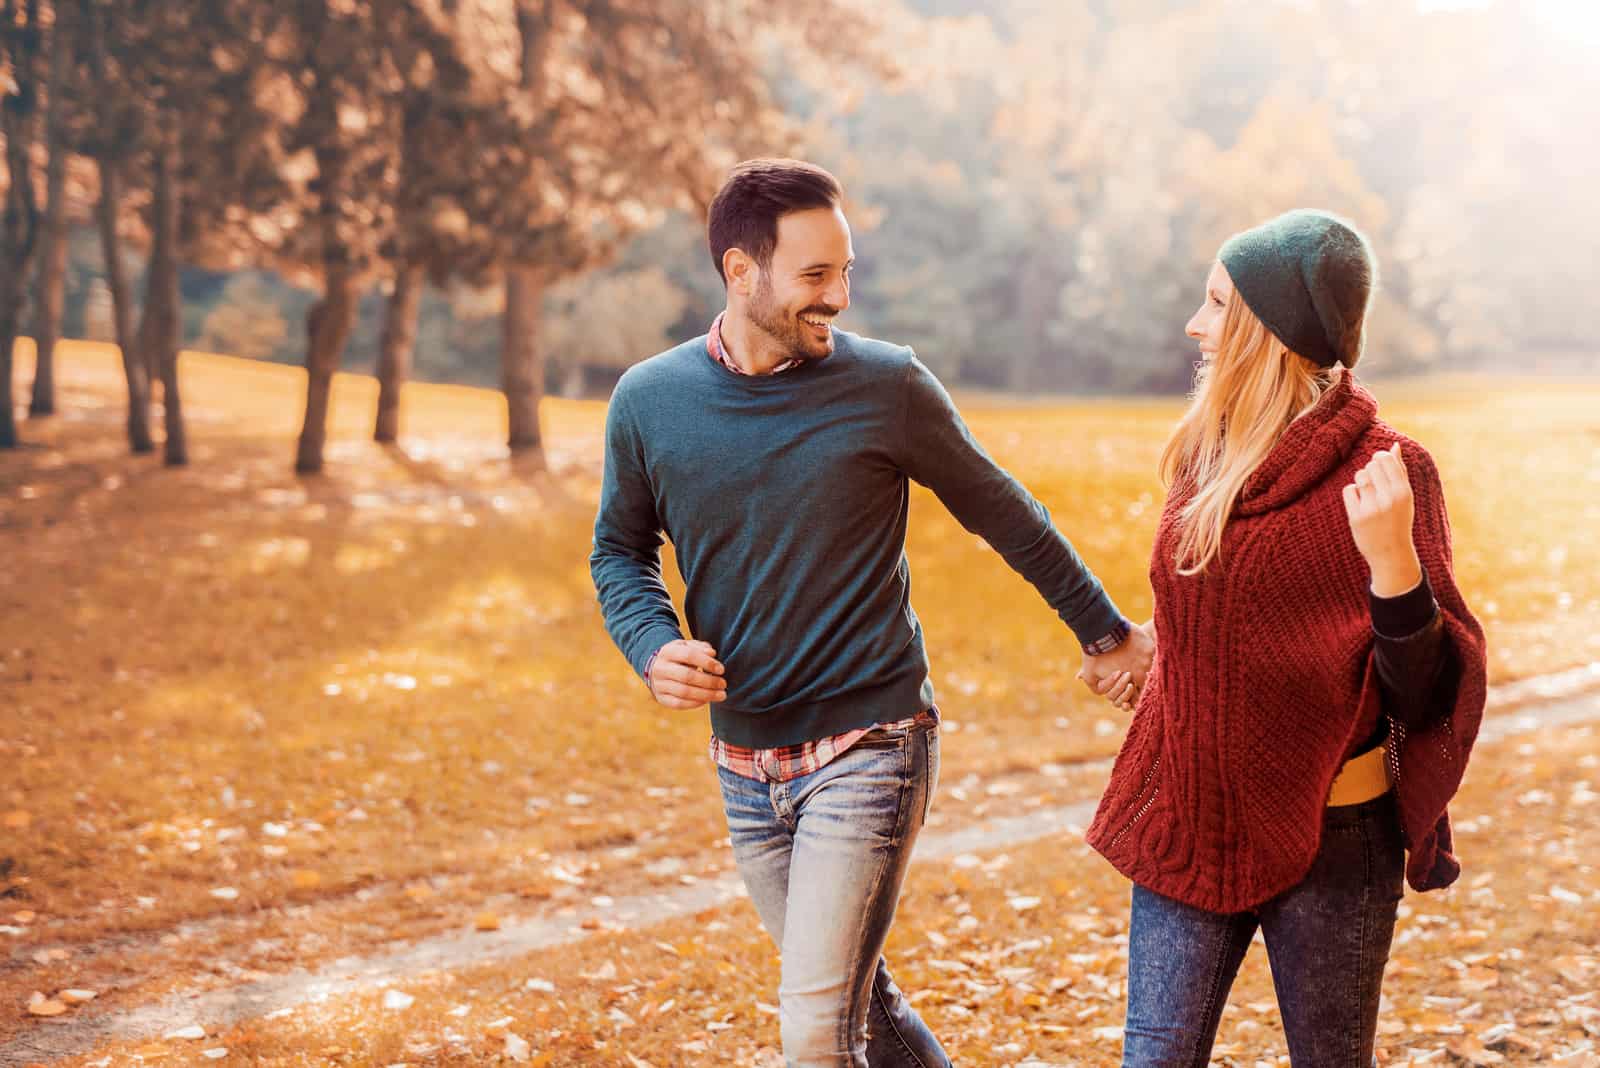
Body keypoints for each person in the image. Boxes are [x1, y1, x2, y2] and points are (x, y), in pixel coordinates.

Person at [590, 157, 1153, 1067]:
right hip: (744, 761)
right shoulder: (650, 402)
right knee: (863, 1007)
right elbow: (619, 549)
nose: (841, 296)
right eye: (816, 276)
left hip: (872, 741)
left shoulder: (886, 386)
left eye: (846, 270)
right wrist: (650, 644)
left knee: (817, 1032)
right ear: (742, 273)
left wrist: (1109, 634)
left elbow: (1005, 513)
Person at [1083, 210, 1488, 1066]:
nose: (1196, 325)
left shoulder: (1387, 469)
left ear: (1272, 330)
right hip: (1189, 808)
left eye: (1217, 304)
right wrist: (1165, 648)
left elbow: (1425, 693)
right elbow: (1236, 607)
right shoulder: (1207, 451)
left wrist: (1394, 570)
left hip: (1335, 836)